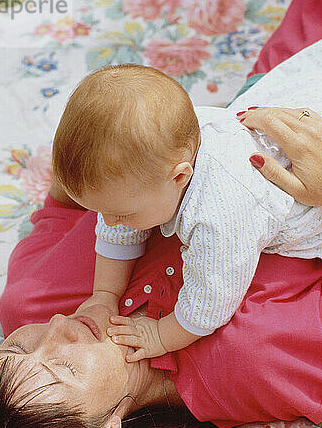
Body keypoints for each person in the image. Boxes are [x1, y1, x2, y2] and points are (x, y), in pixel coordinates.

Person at [0, 0, 322, 428]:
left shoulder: (31, 301)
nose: (58, 329)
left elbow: (65, 197)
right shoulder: (248, 365)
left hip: (270, 99)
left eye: (15, 350)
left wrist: (118, 143)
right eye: (63, 367)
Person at [52, 63, 322, 364]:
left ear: (180, 176)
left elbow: (213, 297)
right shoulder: (168, 145)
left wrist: (160, 335)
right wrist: (104, 295)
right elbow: (117, 228)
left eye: (119, 213)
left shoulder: (218, 214)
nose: (108, 220)